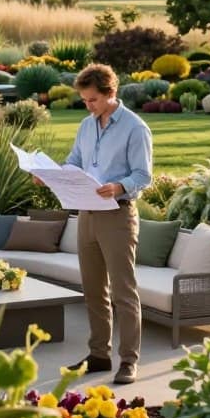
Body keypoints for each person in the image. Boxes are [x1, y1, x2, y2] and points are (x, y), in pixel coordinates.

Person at [52, 63, 152, 384]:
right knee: (94, 289)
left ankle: (129, 361)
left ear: (111, 93)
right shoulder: (86, 125)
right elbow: (74, 161)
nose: (88, 106)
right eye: (84, 100)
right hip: (86, 214)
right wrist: (53, 174)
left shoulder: (135, 129)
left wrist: (119, 186)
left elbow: (143, 175)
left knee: (123, 291)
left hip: (117, 215)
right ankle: (98, 355)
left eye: (92, 100)